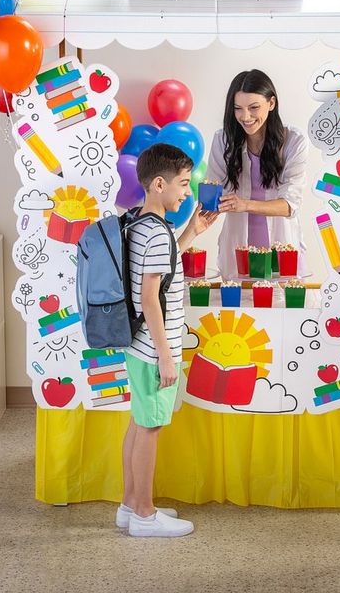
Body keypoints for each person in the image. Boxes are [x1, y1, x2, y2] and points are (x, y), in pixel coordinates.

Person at [116, 143, 217, 537]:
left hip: (137, 346)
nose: (187, 192)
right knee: (150, 429)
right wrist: (166, 357)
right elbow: (149, 298)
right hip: (152, 349)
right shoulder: (156, 234)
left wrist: (192, 228)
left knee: (139, 425)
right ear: (159, 184)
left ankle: (129, 505)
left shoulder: (141, 223)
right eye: (182, 184)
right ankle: (144, 513)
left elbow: (164, 266)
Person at [207, 69, 309, 278]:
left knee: (281, 306)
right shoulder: (223, 140)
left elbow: (290, 204)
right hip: (237, 249)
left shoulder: (294, 141)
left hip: (281, 248)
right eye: (238, 109)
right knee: (237, 310)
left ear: (271, 103)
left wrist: (244, 204)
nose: (245, 117)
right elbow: (212, 192)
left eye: (254, 108)